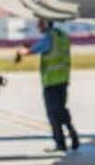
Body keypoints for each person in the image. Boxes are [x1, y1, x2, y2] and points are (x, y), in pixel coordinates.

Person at [15, 18, 79, 153]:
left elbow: (33, 51)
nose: (38, 26)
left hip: (51, 82)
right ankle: (72, 133)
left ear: (46, 23)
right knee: (61, 109)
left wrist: (21, 51)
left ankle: (60, 143)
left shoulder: (48, 38)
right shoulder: (61, 36)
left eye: (40, 23)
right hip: (63, 79)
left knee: (53, 113)